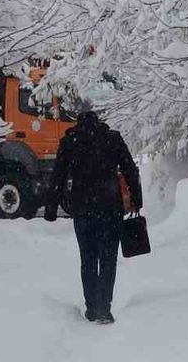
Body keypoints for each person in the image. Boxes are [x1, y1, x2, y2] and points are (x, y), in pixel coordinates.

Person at [44, 108, 142, 325]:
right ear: (99, 122)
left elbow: (58, 175)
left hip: (82, 209)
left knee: (88, 259)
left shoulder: (70, 142)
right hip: (110, 208)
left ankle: (91, 308)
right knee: (108, 259)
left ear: (78, 123)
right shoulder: (112, 139)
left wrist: (51, 207)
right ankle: (104, 309)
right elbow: (130, 170)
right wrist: (137, 199)